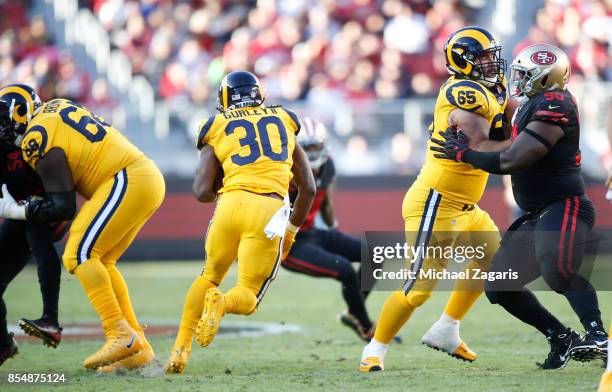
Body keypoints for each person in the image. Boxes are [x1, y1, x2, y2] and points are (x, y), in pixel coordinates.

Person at [431, 43, 607, 369]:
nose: (518, 79)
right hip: (538, 211)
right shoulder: (531, 103)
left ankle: (599, 336)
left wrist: (464, 155)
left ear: (544, 78)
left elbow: (516, 157)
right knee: (500, 285)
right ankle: (560, 336)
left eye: (525, 74)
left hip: (564, 204)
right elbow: (505, 141)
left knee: (559, 268)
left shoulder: (556, 102)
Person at [359, 26, 509, 372]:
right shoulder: (464, 94)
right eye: (483, 57)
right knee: (419, 288)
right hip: (436, 204)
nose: (490, 63)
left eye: (491, 55)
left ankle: (447, 328)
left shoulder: (489, 89)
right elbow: (483, 147)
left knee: (495, 264)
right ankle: (374, 349)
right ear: (464, 62)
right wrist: (532, 144)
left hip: (466, 207)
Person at [0, 83, 165, 371]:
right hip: (143, 176)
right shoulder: (56, 108)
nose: (2, 130)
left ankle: (119, 333)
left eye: (4, 121)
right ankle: (137, 347)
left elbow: (64, 207)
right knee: (104, 261)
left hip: (126, 178)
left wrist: (17, 210)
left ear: (21, 113)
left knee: (78, 254)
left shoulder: (35, 137)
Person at [166, 71, 315, 374]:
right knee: (247, 296)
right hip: (269, 209)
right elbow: (308, 188)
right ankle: (221, 304)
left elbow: (200, 191)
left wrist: (227, 187)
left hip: (230, 204)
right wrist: (290, 234)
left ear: (224, 100)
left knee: (208, 276)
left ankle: (180, 350)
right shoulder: (285, 119)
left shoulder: (217, 125)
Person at [283, 117, 375, 340]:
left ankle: (354, 312)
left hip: (312, 232)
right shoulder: (282, 172)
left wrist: (333, 229)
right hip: (287, 243)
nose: (312, 153)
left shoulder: (328, 165)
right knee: (344, 269)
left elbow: (325, 202)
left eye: (316, 146)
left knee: (374, 253)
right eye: (306, 148)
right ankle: (366, 327)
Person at [0, 143, 68, 365]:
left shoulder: (37, 132)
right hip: (21, 211)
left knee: (37, 232)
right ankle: (3, 345)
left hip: (51, 204)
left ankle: (50, 318)